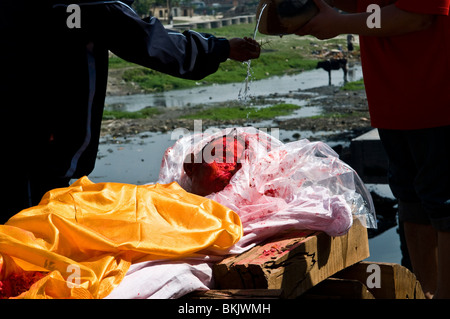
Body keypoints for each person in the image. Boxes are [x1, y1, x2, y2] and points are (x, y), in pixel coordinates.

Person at [0, 0, 260, 224]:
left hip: (29, 144)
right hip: (38, 152)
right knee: (27, 229)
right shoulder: (87, 6)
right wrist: (220, 48)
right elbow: (143, 38)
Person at [295, 0, 450, 299]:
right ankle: (424, 292)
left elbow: (416, 17)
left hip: (437, 99)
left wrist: (337, 24)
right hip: (394, 103)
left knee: (443, 203)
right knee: (412, 201)